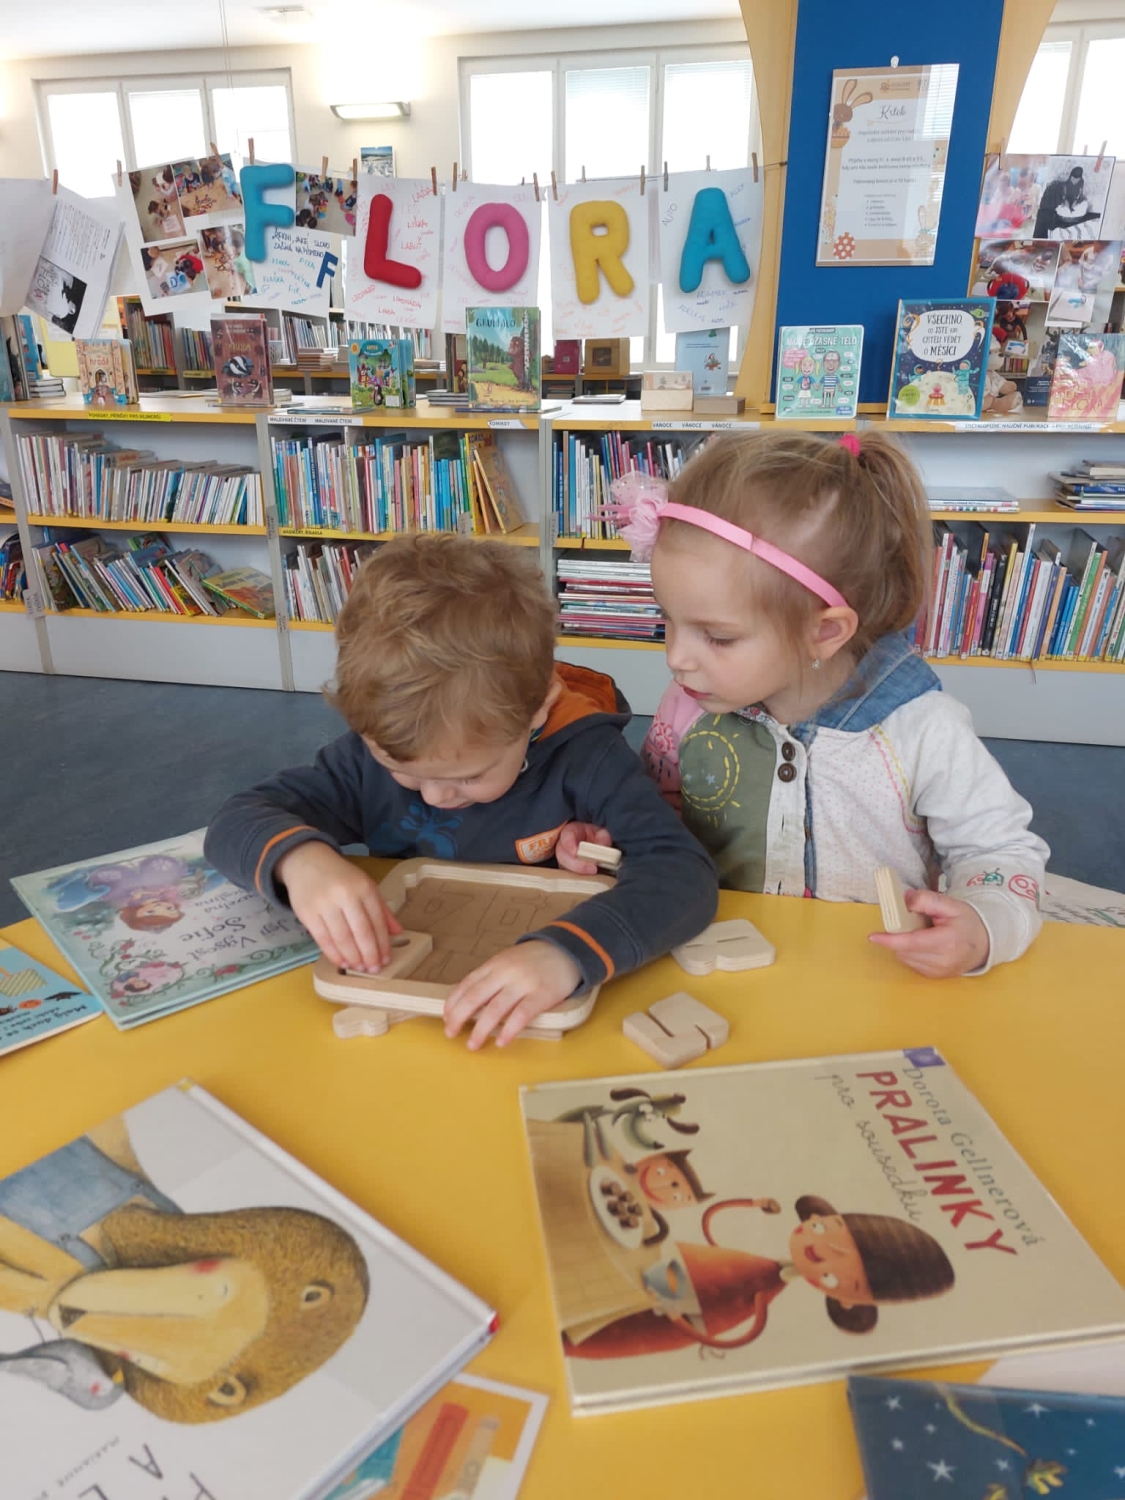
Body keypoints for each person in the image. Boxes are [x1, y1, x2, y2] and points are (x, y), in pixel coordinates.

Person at [204, 534, 717, 1048]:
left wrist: (568, 953)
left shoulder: (588, 758)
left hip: (534, 1023)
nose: (434, 797)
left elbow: (681, 873)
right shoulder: (370, 757)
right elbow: (238, 818)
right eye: (403, 771)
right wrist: (301, 862)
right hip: (405, 1023)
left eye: (469, 776)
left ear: (539, 706)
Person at [603, 432, 1047, 980]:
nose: (676, 658)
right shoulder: (686, 707)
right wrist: (609, 839)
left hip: (872, 979)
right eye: (667, 618)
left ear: (825, 632)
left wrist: (982, 924)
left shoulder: (924, 730)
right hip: (721, 973)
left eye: (717, 637)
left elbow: (1000, 849)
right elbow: (652, 817)